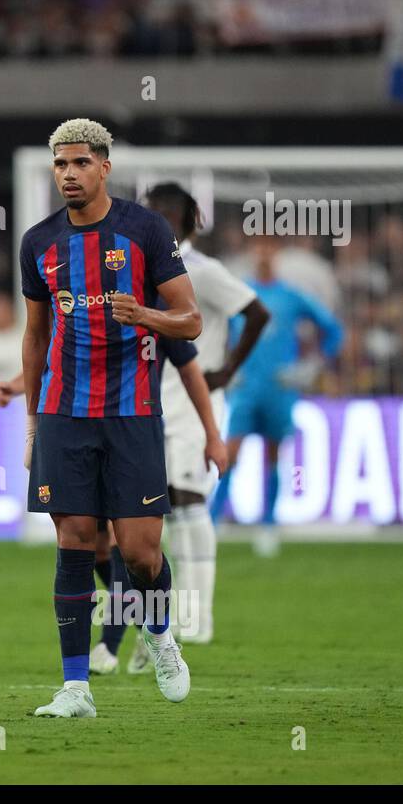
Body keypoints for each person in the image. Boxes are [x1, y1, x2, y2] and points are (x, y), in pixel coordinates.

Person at [19, 118, 201, 719]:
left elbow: (191, 320)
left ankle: (161, 638)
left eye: (80, 163)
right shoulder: (38, 242)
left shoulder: (145, 230)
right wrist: (32, 424)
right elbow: (35, 335)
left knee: (141, 553)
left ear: (104, 167)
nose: (68, 174)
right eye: (60, 164)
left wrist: (145, 314)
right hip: (64, 413)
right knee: (74, 540)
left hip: (132, 412)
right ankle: (76, 688)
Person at [0, 333, 228, 673]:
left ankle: (110, 646)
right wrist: (18, 385)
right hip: (81, 430)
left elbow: (189, 366)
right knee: (99, 548)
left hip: (131, 430)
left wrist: (212, 434)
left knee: (129, 547)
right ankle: (142, 625)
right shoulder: (84, 312)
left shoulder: (153, 308)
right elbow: (53, 351)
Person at [143, 182, 269, 642]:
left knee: (188, 501)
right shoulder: (144, 270)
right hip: (151, 405)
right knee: (164, 507)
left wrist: (227, 370)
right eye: (151, 214)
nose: (158, 223)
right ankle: (178, 614)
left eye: (166, 215)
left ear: (188, 220)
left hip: (194, 406)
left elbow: (257, 313)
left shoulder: (201, 270)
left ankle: (198, 618)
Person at [211, 236, 343, 557]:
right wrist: (225, 366)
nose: (263, 253)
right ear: (251, 252)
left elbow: (333, 329)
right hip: (245, 388)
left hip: (279, 388)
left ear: (277, 253)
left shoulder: (291, 296)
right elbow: (214, 329)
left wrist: (310, 367)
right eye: (258, 246)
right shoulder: (239, 292)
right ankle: (212, 521)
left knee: (273, 455)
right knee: (231, 453)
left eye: (269, 247)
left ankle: (268, 525)